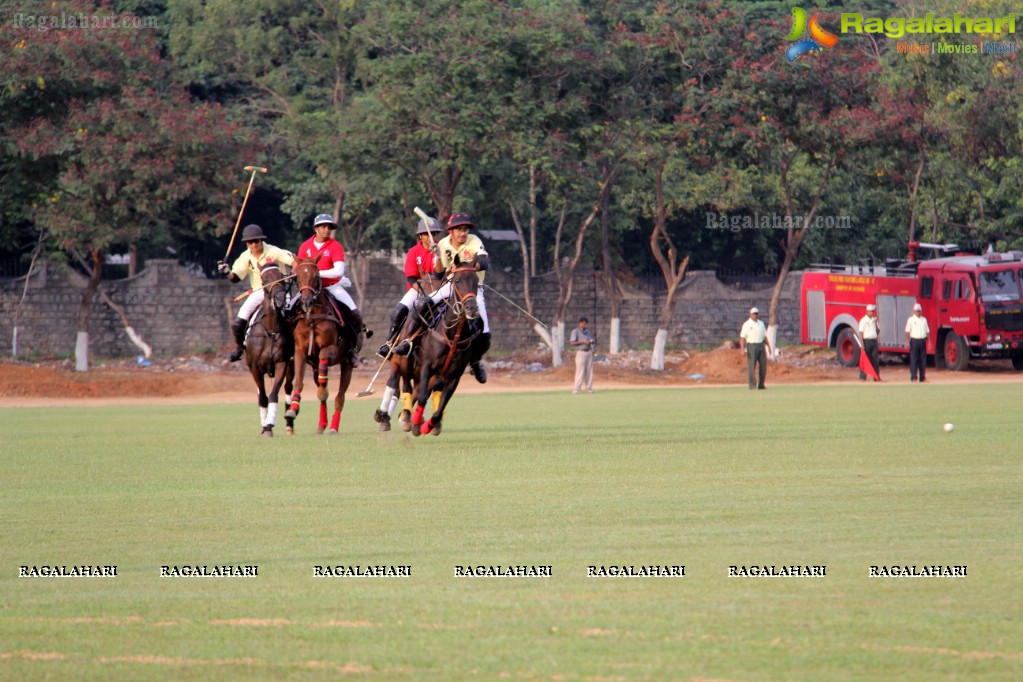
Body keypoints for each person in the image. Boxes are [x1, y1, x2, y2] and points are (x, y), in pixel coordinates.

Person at [393, 212, 491, 383]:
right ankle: (409, 341)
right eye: (459, 230)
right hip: (450, 287)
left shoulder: (474, 241)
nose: (463, 233)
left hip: (473, 290)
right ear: (451, 231)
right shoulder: (443, 244)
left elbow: (484, 263)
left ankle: (475, 362)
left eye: (465, 229)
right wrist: (437, 256)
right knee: (421, 304)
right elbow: (438, 273)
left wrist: (464, 268)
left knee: (484, 333)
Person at [218, 224, 295, 362]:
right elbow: (235, 278)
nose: (253, 244)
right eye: (250, 242)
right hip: (259, 291)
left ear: (261, 240)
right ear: (246, 243)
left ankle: (297, 348)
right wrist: (227, 272)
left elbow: (294, 261)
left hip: (279, 291)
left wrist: (295, 270)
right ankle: (240, 348)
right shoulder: (245, 256)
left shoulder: (273, 251)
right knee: (238, 322)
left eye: (256, 241)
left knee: (291, 317)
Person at [296, 213, 365, 366]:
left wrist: (315, 273)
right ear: (316, 228)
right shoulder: (305, 246)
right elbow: (298, 268)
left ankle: (352, 350)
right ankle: (290, 348)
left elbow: (338, 271)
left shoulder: (335, 246)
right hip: (310, 289)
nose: (327, 229)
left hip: (332, 286)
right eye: (323, 226)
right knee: (287, 310)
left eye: (329, 227)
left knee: (354, 313)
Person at [377, 214, 445, 357]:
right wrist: (421, 292)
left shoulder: (443, 249)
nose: (430, 237)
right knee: (398, 311)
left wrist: (438, 254)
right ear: (420, 236)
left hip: (440, 291)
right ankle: (390, 342)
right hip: (418, 290)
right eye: (426, 234)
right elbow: (411, 278)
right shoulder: (414, 252)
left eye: (433, 233)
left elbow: (442, 273)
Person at [739, 306, 772, 390]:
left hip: (761, 345)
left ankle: (761, 385)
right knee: (751, 366)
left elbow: (764, 336)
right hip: (752, 345)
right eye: (754, 314)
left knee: (763, 366)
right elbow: (742, 337)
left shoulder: (761, 323)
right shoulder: (747, 324)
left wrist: (769, 347)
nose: (755, 315)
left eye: (756, 314)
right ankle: (752, 385)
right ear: (750, 314)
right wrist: (742, 349)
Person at [905, 302, 930, 382]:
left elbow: (927, 331)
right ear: (914, 311)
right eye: (917, 311)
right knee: (914, 359)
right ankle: (913, 377)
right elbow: (907, 331)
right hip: (914, 341)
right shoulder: (911, 320)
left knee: (922, 360)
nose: (918, 312)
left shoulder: (924, 320)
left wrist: (929, 342)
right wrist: (907, 342)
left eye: (919, 311)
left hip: (922, 340)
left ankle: (922, 377)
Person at [569, 316, 595, 394]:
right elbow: (572, 343)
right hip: (581, 352)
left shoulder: (587, 332)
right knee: (580, 371)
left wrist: (591, 341)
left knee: (589, 371)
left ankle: (589, 388)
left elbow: (591, 340)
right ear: (580, 323)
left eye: (586, 324)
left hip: (589, 352)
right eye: (584, 324)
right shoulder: (575, 331)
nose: (585, 326)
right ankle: (576, 389)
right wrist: (582, 342)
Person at [858, 303, 881, 381]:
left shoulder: (874, 320)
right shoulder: (863, 320)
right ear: (867, 311)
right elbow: (861, 333)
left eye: (873, 311)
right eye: (871, 311)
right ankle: (862, 377)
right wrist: (862, 344)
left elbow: (878, 331)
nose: (872, 312)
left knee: (875, 359)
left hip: (874, 340)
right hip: (866, 341)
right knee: (866, 359)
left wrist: (876, 324)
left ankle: (876, 376)